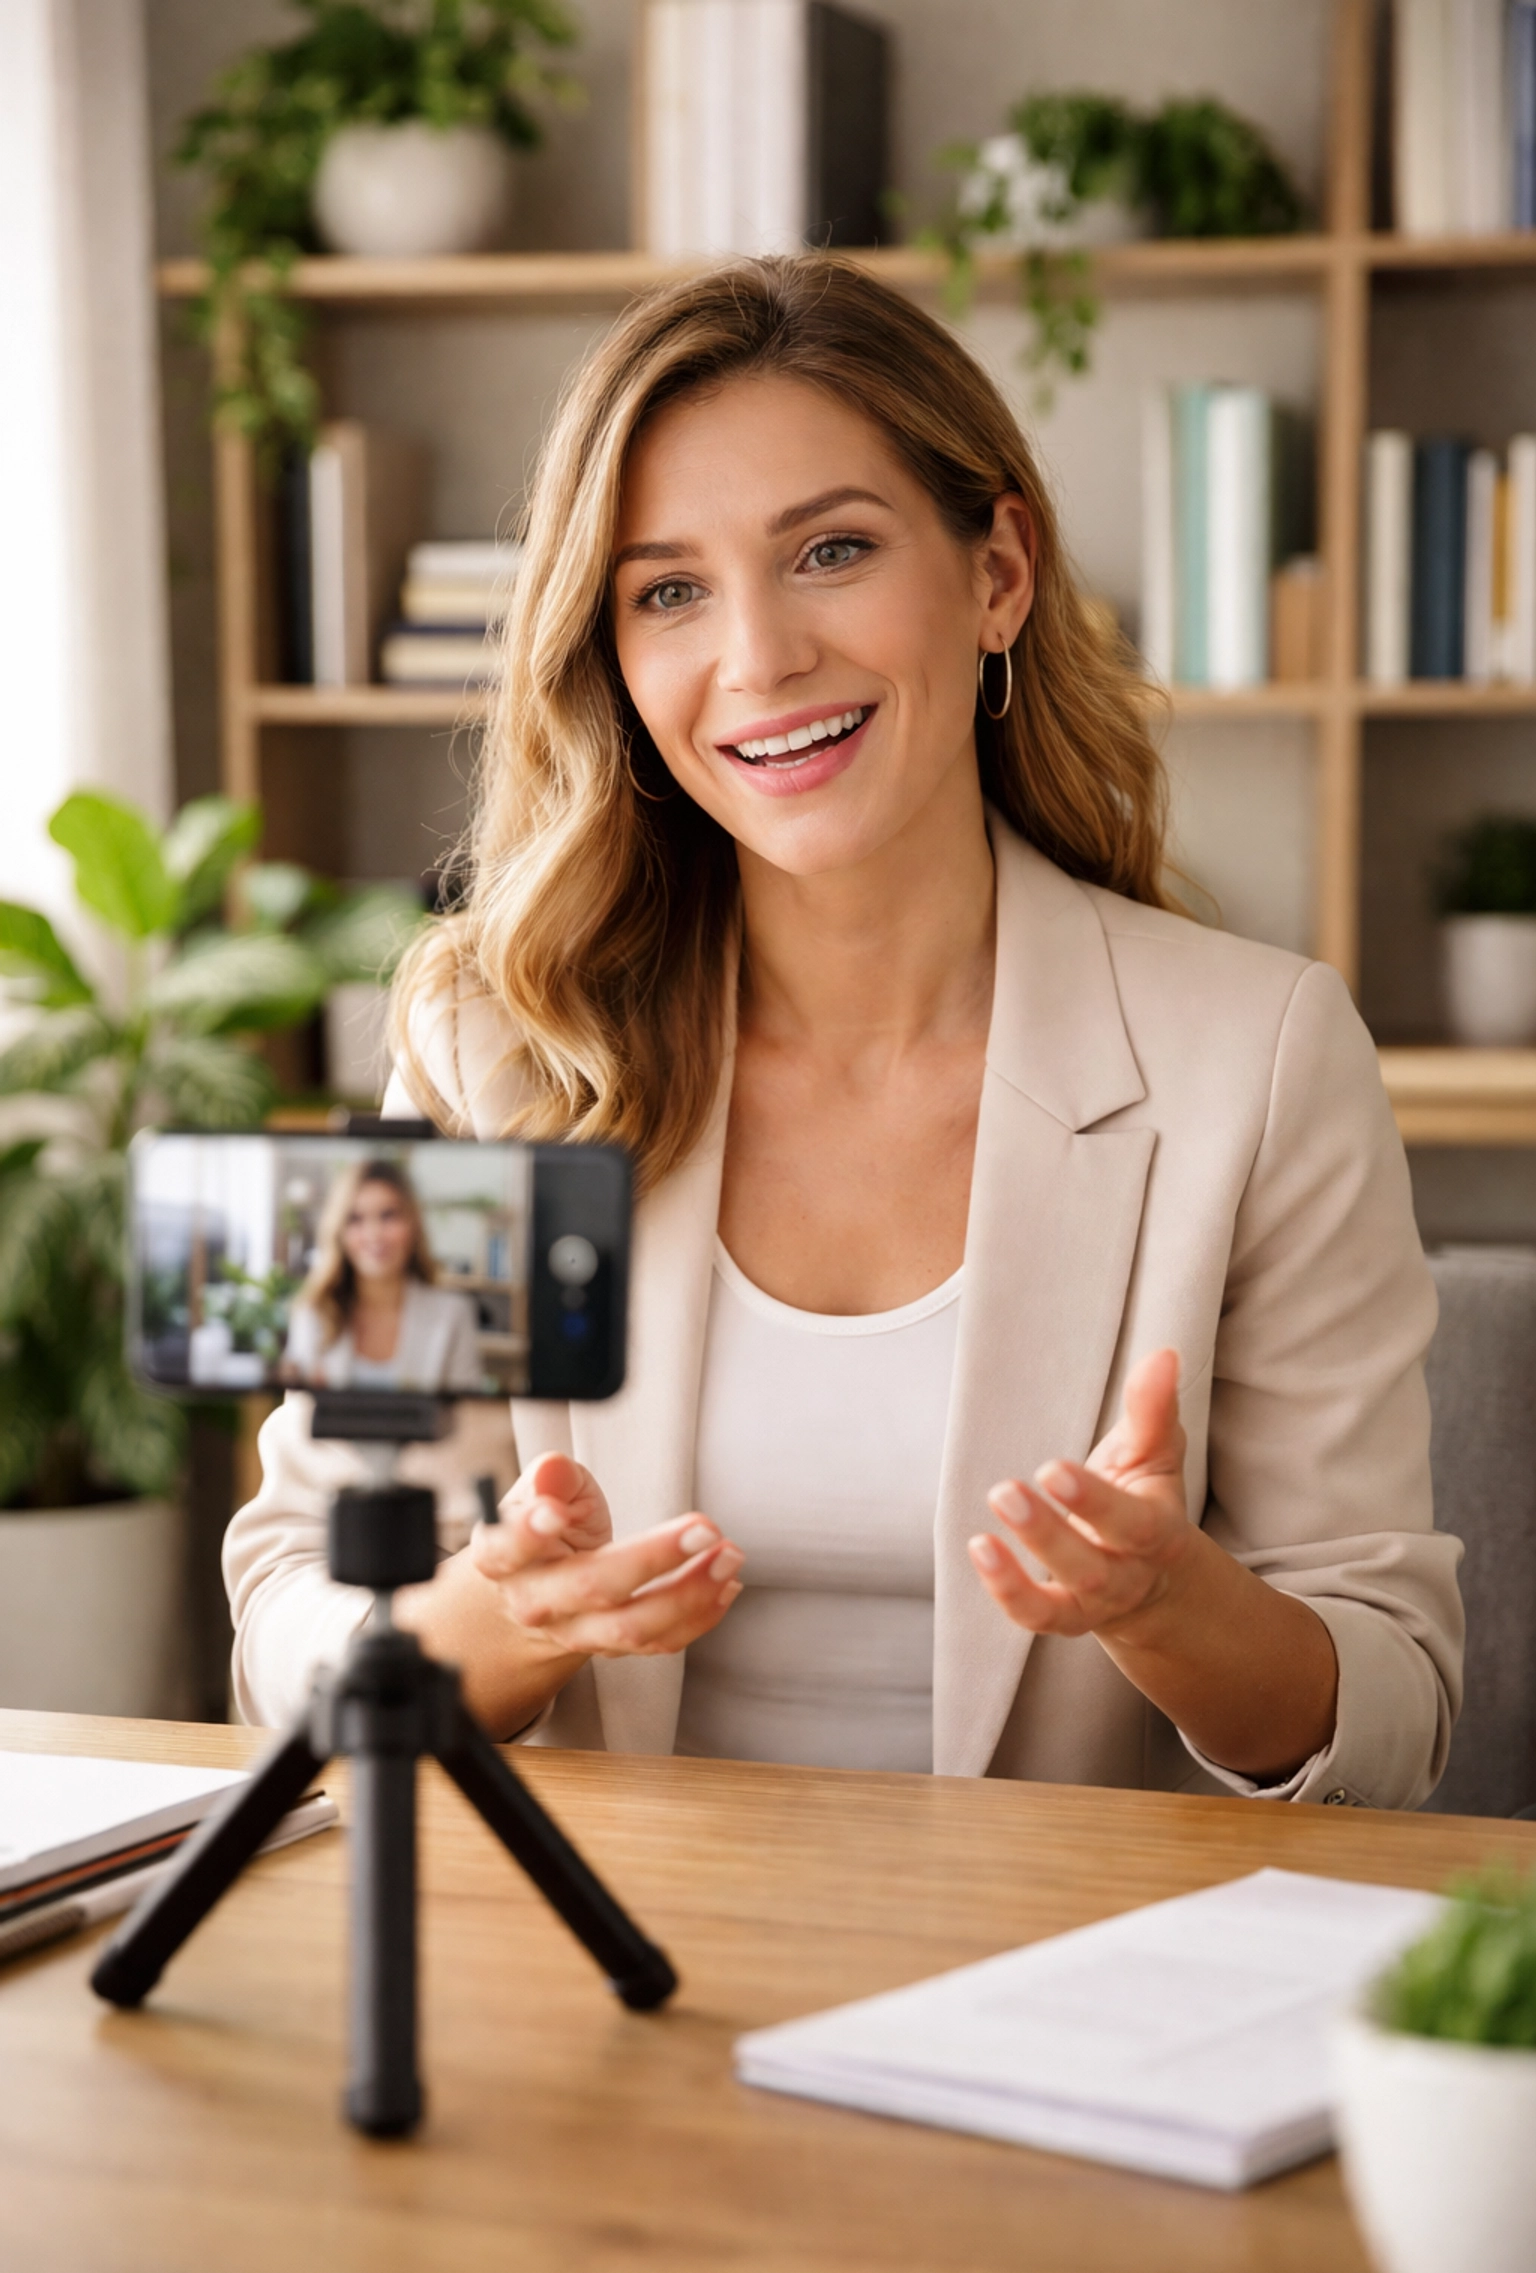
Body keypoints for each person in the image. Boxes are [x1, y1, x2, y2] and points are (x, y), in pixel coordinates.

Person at [227, 255, 1461, 1805]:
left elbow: (1399, 1708)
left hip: (1059, 1981)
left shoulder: (1258, 1060)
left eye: (831, 551)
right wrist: (503, 1623)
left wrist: (1168, 1604)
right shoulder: (498, 1052)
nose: (758, 657)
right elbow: (289, 1611)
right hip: (611, 1970)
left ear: (999, 570)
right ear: (613, 656)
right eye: (668, 589)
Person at [280, 1159, 486, 1396]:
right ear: (339, 1232)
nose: (374, 1234)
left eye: (388, 1216)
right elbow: (297, 1416)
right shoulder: (314, 1312)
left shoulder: (453, 1314)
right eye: (355, 1219)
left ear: (413, 1225)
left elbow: (468, 1415)